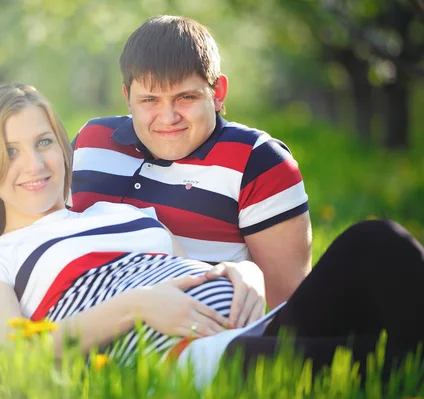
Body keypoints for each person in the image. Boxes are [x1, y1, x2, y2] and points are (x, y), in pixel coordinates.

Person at [0, 83, 424, 384]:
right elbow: (14, 355)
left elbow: (193, 271)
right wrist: (135, 308)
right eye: (9, 152)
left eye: (44, 142)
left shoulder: (115, 213)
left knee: (376, 242)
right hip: (191, 362)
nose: (33, 164)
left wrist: (245, 273)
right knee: (378, 359)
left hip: (256, 326)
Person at [70, 15, 312, 323]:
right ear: (127, 98)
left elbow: (290, 309)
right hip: (89, 329)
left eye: (185, 97)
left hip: (207, 335)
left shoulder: (258, 161)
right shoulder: (92, 142)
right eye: (149, 100)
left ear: (218, 93)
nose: (168, 117)